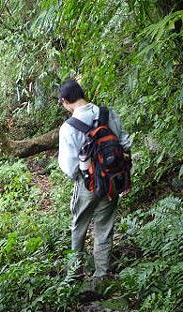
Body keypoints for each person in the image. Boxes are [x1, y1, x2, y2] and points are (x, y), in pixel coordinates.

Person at [57, 79, 132, 284]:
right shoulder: (108, 113)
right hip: (112, 180)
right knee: (104, 227)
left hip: (86, 183)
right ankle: (101, 275)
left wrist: (83, 175)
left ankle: (74, 274)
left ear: (65, 101)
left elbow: (68, 165)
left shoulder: (68, 127)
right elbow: (124, 142)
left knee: (79, 226)